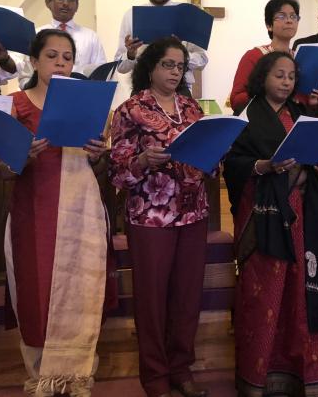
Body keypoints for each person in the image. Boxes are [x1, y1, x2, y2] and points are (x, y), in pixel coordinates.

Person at [0, 29, 109, 396]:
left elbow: (98, 163)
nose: (61, 63)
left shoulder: (88, 104)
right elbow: (0, 167)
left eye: (67, 57)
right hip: (35, 208)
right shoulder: (17, 104)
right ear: (33, 61)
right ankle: (41, 375)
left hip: (81, 208)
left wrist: (97, 153)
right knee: (36, 290)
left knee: (83, 288)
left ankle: (78, 375)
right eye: (52, 56)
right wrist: (21, 154)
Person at [224, 51, 318, 396]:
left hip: (301, 215)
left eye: (290, 77)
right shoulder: (245, 117)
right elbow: (232, 163)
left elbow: (312, 157)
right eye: (279, 75)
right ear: (262, 78)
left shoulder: (301, 115)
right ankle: (259, 375)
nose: (286, 82)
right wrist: (264, 166)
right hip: (264, 215)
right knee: (265, 291)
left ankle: (303, 370)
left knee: (300, 288)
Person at [109, 37, 212, 397]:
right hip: (150, 216)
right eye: (167, 64)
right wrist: (141, 161)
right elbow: (117, 171)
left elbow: (206, 155)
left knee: (187, 297)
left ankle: (181, 369)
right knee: (152, 300)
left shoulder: (191, 107)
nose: (175, 71)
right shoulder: (130, 110)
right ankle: (155, 378)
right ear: (150, 67)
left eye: (180, 66)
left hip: (193, 213)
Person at [115, 0, 208, 96]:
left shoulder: (187, 15)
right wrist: (130, 54)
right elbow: (120, 67)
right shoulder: (131, 16)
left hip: (179, 90)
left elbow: (202, 60)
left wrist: (181, 53)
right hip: (142, 89)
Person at [229, 0, 318, 113]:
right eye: (281, 16)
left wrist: (310, 102)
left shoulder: (300, 58)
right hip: (260, 125)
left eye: (293, 16)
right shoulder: (254, 56)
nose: (289, 20)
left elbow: (299, 101)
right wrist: (267, 92)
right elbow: (236, 100)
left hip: (292, 123)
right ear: (269, 25)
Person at [18, 0, 107, 87]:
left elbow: (102, 73)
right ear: (48, 3)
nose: (65, 3)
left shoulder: (91, 37)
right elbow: (25, 76)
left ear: (77, 5)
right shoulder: (36, 35)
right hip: (42, 98)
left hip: (80, 96)